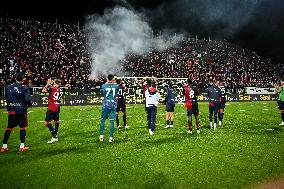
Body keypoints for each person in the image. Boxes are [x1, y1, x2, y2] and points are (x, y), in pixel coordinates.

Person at [1, 74, 32, 153]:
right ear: (23, 79)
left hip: (11, 110)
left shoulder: (8, 87)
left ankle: (4, 146)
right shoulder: (25, 88)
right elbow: (27, 99)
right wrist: (29, 105)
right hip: (21, 110)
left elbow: (5, 97)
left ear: (15, 79)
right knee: (22, 127)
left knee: (9, 128)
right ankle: (22, 146)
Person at [99, 74, 119, 143]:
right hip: (113, 104)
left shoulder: (103, 86)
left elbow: (103, 91)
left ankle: (101, 136)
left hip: (106, 104)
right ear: (113, 79)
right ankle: (111, 137)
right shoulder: (116, 86)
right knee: (112, 121)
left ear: (107, 79)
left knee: (103, 120)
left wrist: (108, 82)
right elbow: (117, 87)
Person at [42, 78, 63, 144]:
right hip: (57, 106)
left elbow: (43, 91)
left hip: (51, 107)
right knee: (56, 120)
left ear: (55, 83)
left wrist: (48, 84)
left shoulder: (52, 88)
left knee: (47, 122)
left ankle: (54, 137)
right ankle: (55, 134)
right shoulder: (60, 90)